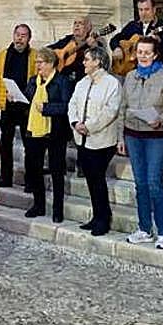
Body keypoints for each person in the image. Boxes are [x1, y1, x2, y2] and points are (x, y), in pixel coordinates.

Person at [121, 35, 163, 249]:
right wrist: (121, 136)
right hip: (133, 135)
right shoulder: (129, 76)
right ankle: (144, 228)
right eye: (140, 52)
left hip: (156, 136)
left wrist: (161, 119)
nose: (143, 56)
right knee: (140, 184)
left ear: (155, 54)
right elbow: (123, 107)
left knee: (155, 183)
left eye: (148, 53)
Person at [67, 46, 121, 236]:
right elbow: (72, 103)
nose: (84, 62)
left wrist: (89, 126)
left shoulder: (111, 83)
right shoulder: (82, 82)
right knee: (91, 179)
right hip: (81, 138)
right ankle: (96, 215)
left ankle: (103, 219)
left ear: (98, 61)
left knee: (98, 179)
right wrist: (75, 122)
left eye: (87, 59)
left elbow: (110, 111)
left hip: (101, 140)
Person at [22, 47, 73, 223]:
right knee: (34, 169)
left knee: (56, 171)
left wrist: (47, 108)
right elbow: (28, 99)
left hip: (55, 131)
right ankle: (38, 205)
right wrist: (16, 97)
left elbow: (67, 106)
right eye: (36, 62)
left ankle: (57, 209)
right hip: (34, 129)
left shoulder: (62, 81)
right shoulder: (32, 81)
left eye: (40, 62)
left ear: (51, 63)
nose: (37, 66)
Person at [0, 23, 36, 188]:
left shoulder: (33, 56)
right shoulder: (4, 55)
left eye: (23, 36)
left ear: (29, 38)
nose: (19, 38)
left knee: (29, 145)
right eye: (17, 34)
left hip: (25, 108)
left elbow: (36, 81)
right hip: (7, 106)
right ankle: (5, 177)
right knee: (5, 145)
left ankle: (30, 180)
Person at [110, 0, 163, 70]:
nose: (143, 13)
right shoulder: (133, 25)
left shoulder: (162, 26)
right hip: (132, 69)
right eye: (141, 10)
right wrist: (117, 48)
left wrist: (159, 40)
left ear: (154, 10)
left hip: (156, 69)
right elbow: (115, 39)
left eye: (147, 9)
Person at [48, 15, 101, 82]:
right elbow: (48, 49)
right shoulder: (67, 40)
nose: (77, 25)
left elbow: (101, 61)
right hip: (60, 77)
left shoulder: (93, 42)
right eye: (75, 23)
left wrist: (94, 47)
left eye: (80, 23)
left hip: (81, 79)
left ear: (88, 28)